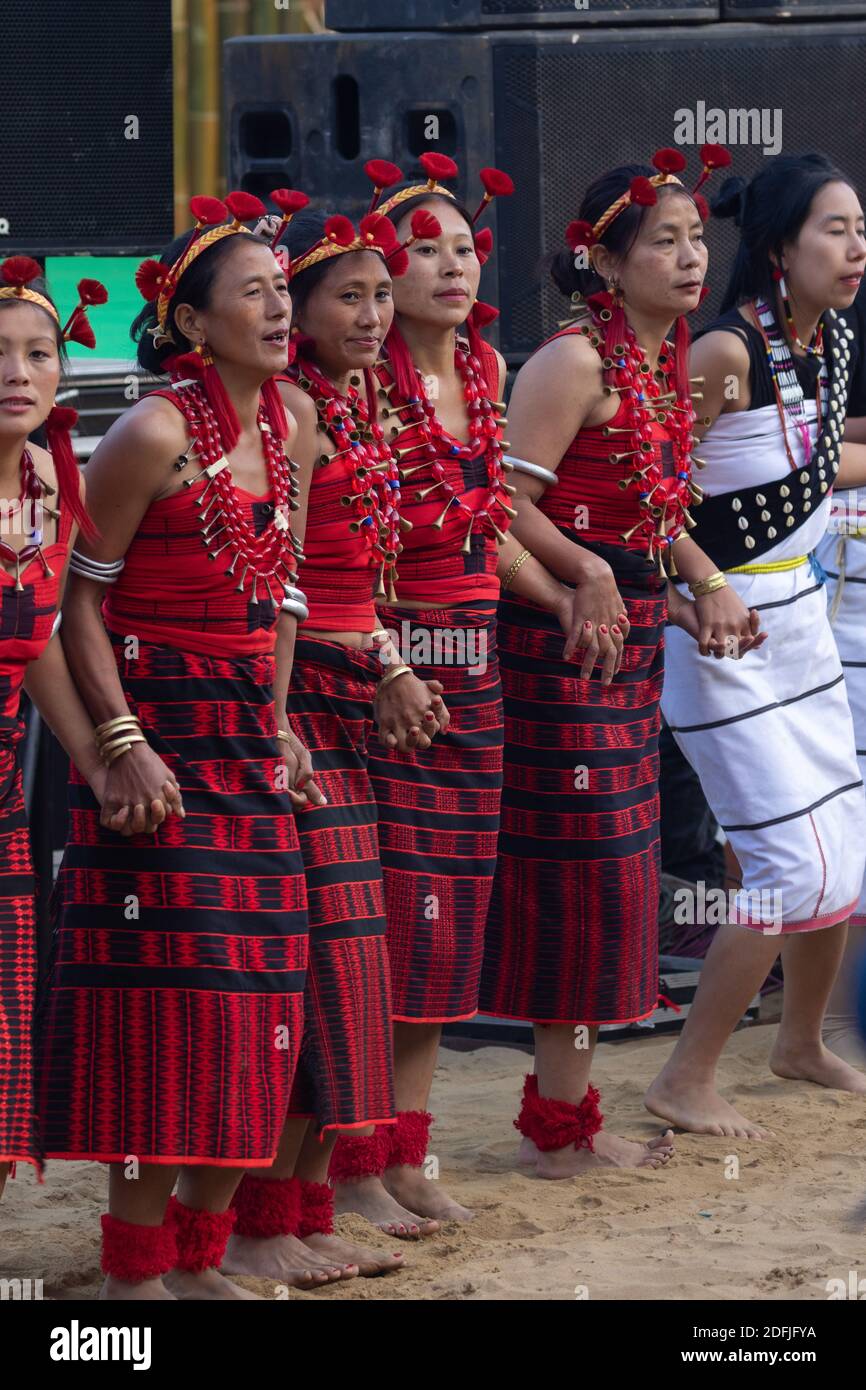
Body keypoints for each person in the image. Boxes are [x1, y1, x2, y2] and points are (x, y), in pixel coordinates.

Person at [37, 192, 312, 1299]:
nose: (279, 306)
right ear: (193, 325)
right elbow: (71, 602)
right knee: (171, 1010)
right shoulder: (152, 431)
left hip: (245, 743)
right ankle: (132, 1272)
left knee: (259, 1003)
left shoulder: (288, 421)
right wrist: (118, 743)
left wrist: (282, 723)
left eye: (281, 287)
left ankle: (200, 1258)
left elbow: (281, 595)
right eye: (253, 292)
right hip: (157, 744)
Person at [478, 147, 761, 1175]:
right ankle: (558, 1134)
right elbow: (499, 506)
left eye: (696, 238)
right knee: (577, 882)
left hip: (626, 646)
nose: (691, 258)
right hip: (560, 654)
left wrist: (697, 590)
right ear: (605, 261)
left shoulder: (660, 361)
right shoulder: (572, 363)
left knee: (612, 888)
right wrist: (585, 574)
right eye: (665, 241)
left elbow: (651, 504)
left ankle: (566, 1119)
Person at [328, 155, 598, 1228]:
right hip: (384, 672)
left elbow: (484, 535)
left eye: (461, 246)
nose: (447, 263)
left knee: (445, 931)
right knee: (380, 924)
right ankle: (347, 1159)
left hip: (472, 668)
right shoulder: (357, 385)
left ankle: (406, 1147)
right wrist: (387, 661)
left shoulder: (485, 368)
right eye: (422, 247)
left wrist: (574, 583)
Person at [223, 192, 450, 1278]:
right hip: (305, 701)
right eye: (344, 297)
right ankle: (267, 1221)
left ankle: (308, 1203)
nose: (370, 315)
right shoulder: (294, 412)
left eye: (375, 294)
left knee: (353, 964)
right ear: (298, 312)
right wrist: (388, 666)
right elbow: (291, 594)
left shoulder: (350, 401)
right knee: (318, 968)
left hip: (346, 698)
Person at [647, 154, 866, 1139]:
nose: (854, 246)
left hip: (801, 633)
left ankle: (799, 1041)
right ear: (777, 247)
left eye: (859, 227)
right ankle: (683, 1078)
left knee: (844, 858)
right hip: (719, 647)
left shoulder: (829, 342)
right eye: (832, 228)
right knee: (780, 865)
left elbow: (811, 472)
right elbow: (640, 496)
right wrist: (705, 583)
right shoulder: (721, 354)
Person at [0, 256, 109, 1195]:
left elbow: (35, 641)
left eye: (38, 353)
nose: (18, 373)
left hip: (2, 811)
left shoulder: (44, 480)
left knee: (2, 1053)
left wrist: (99, 756)